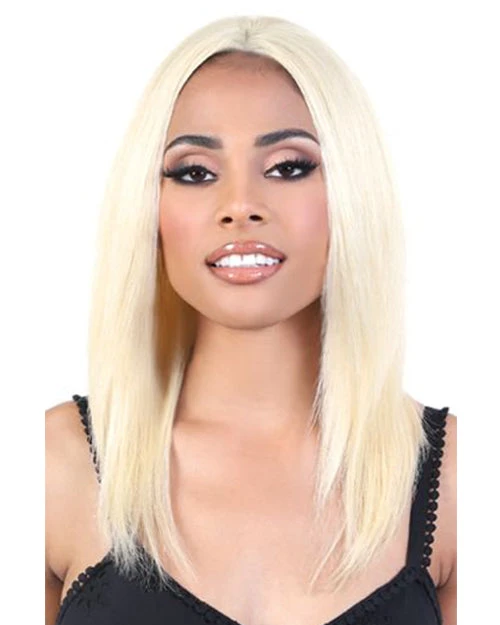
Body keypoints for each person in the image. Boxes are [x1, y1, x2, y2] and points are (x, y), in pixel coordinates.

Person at [45, 15, 457, 625]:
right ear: (149, 210)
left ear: (352, 195)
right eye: (194, 172)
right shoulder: (52, 466)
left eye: (288, 167)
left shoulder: (458, 481)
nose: (240, 206)